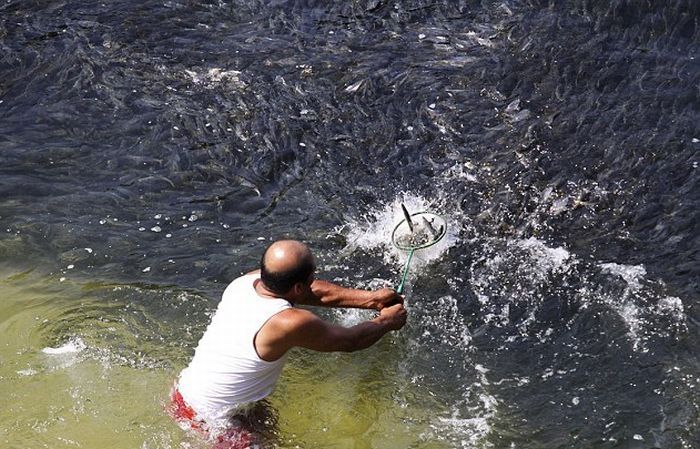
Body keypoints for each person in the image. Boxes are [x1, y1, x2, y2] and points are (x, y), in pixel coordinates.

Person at [170, 239, 407, 447]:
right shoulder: (287, 322)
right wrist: (387, 321)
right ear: (298, 287)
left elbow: (313, 291)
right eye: (311, 278)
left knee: (268, 424)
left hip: (184, 396)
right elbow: (351, 341)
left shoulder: (244, 283)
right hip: (212, 422)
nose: (314, 282)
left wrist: (371, 299)